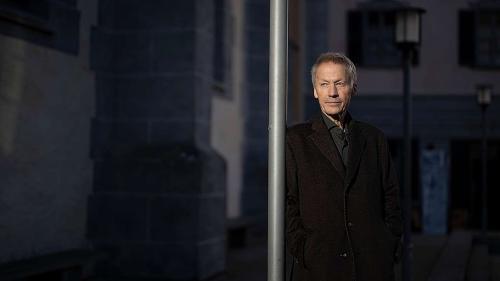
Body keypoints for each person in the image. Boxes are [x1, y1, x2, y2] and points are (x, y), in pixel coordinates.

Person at [286, 52, 402, 281]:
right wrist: (305, 250)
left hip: (372, 266)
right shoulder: (295, 140)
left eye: (339, 83)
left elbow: (391, 197)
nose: (332, 92)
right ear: (315, 91)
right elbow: (288, 203)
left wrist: (388, 244)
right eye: (324, 84)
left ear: (353, 87)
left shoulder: (374, 138)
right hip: (318, 269)